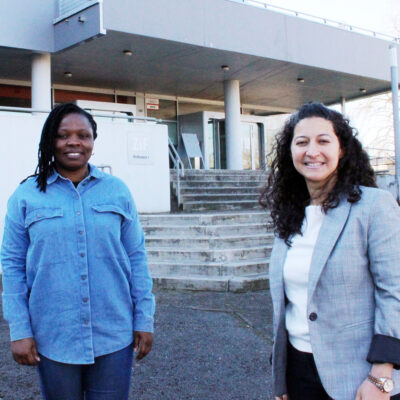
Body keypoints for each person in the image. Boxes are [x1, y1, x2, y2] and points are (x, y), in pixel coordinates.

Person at [1, 103, 155, 399]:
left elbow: (137, 257)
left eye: (83, 135)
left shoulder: (117, 191)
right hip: (54, 336)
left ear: (93, 143)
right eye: (63, 135)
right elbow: (11, 265)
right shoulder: (26, 196)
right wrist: (20, 330)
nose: (74, 142)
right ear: (50, 141)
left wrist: (144, 318)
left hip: (114, 334)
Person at [260, 102, 400, 400]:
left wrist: (381, 376)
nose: (312, 151)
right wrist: (282, 377)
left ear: (342, 149)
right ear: (291, 152)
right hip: (298, 373)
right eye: (302, 142)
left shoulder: (374, 206)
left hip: (361, 378)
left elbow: (395, 291)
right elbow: (289, 305)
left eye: (323, 141)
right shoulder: (290, 215)